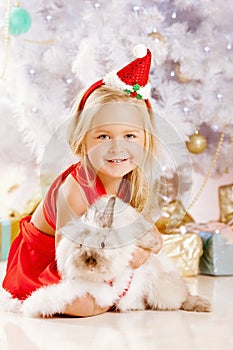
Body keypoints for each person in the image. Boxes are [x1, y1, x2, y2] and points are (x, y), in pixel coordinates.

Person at [2, 44, 162, 317]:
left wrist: (145, 250)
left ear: (145, 140)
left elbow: (152, 235)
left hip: (97, 259)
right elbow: (66, 260)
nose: (116, 147)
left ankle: (113, 290)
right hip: (47, 261)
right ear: (83, 141)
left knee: (144, 282)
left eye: (130, 136)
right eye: (102, 136)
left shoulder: (129, 181)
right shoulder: (77, 188)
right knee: (85, 305)